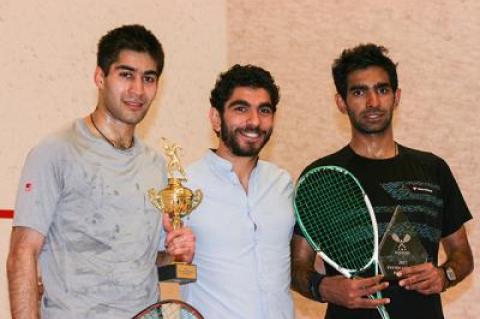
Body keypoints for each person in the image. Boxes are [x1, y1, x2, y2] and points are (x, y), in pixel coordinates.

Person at [7, 24, 195, 319]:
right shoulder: (56, 151)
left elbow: (147, 262)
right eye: (125, 74)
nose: (137, 90)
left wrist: (174, 253)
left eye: (149, 78)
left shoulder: (156, 167)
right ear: (100, 77)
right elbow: (22, 255)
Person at [291, 44, 474, 319]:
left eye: (382, 89)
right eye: (359, 92)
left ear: (396, 97)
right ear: (341, 102)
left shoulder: (433, 169)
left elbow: (462, 255)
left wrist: (444, 275)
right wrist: (325, 288)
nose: (373, 102)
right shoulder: (321, 177)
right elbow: (296, 266)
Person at [181, 64, 295, 318]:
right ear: (215, 118)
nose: (254, 121)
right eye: (241, 108)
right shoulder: (183, 184)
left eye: (264, 110)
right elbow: (152, 262)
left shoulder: (282, 184)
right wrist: (174, 256)